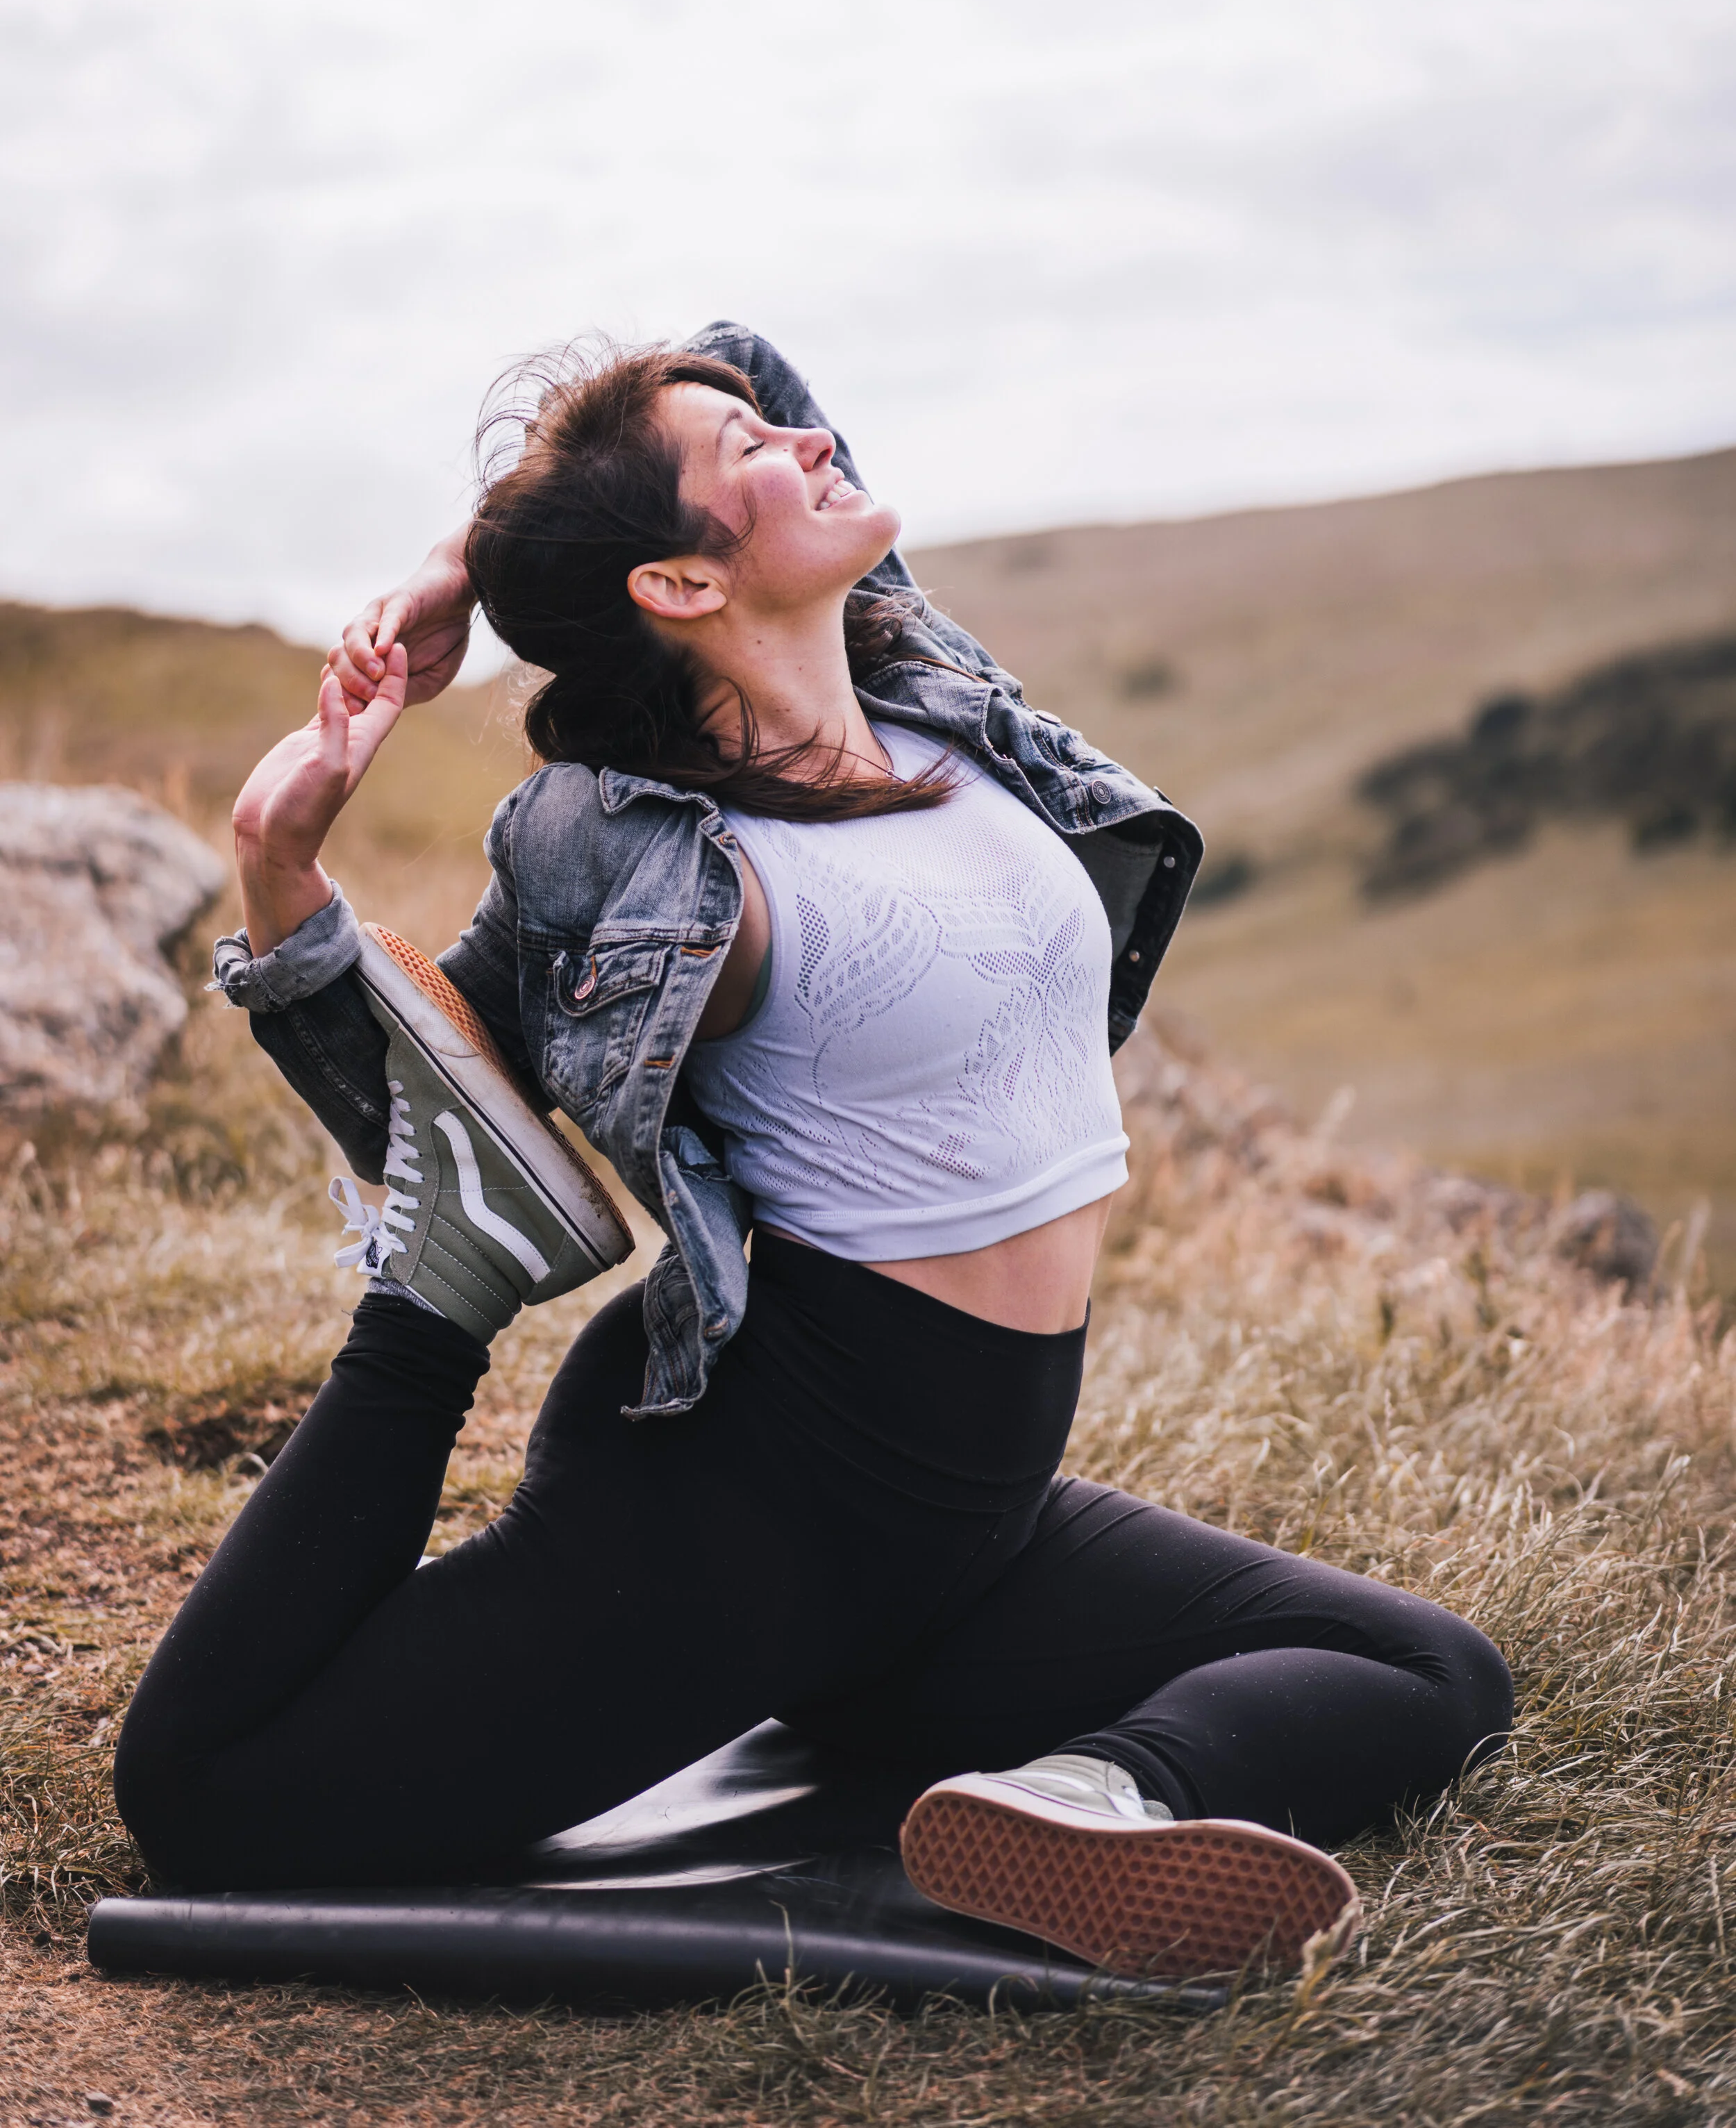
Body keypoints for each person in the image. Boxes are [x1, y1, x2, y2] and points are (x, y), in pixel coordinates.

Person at [113, 325, 1512, 1981]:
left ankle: (1079, 1806)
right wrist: (281, 873)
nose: (802, 439)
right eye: (746, 451)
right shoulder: (627, 845)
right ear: (682, 586)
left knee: (1431, 1674)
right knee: (212, 1799)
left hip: (967, 1518)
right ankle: (425, 1317)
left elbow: (732, 355)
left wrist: (460, 565)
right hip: (755, 1518)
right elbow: (438, 1065)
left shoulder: (924, 695)